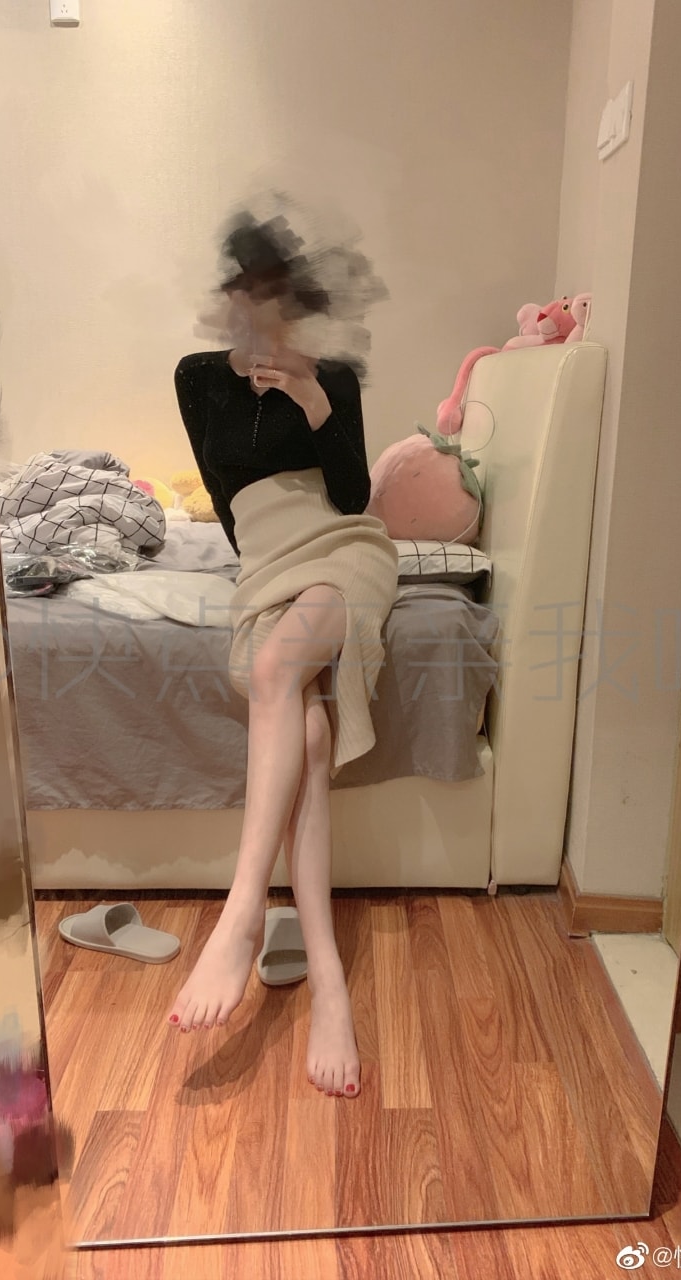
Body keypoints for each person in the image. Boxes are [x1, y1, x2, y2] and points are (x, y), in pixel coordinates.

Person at [167, 216, 398, 1100]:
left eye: (278, 300)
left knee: (274, 673)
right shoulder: (196, 378)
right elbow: (224, 497)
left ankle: (240, 918)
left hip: (342, 552)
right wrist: (261, 573)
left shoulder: (331, 374)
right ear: (231, 300)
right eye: (247, 297)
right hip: (265, 566)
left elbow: (354, 494)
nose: (262, 317)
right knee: (304, 734)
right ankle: (330, 982)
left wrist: (312, 399)